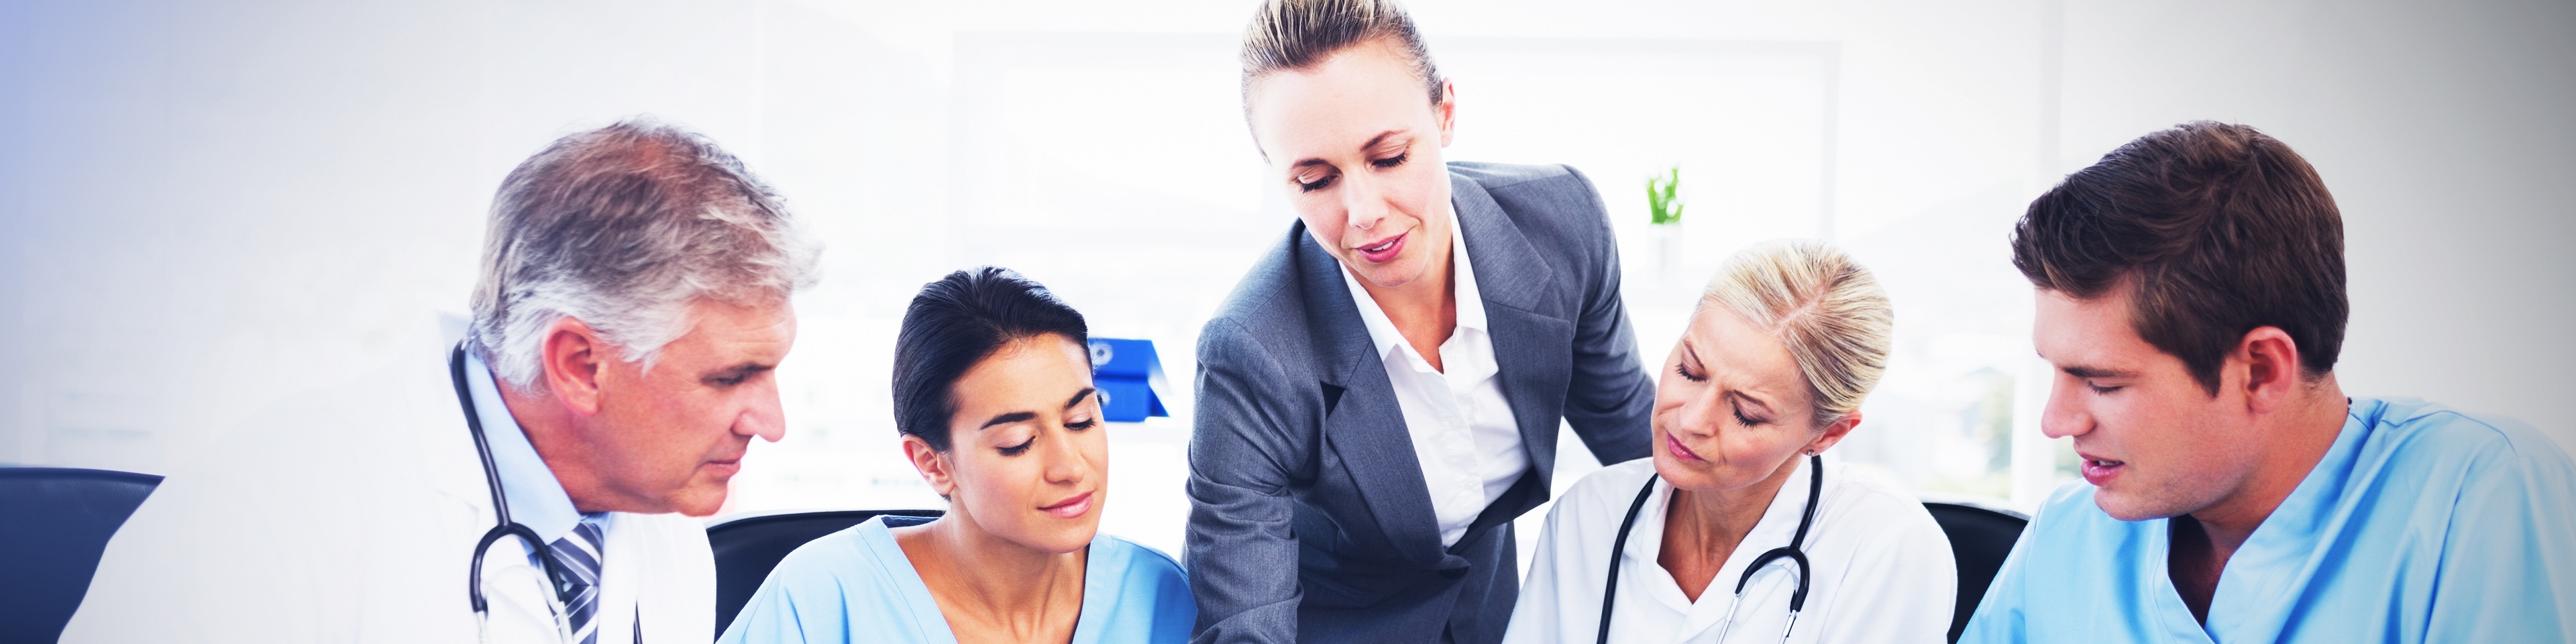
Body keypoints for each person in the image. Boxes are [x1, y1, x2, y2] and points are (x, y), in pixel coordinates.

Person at [61, 119, 818, 643]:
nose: (771, 421)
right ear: (581, 366)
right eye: (731, 377)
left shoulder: (663, 527)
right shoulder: (257, 524)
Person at [1959, 121, 2576, 642]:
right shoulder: (2067, 536)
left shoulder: (2482, 495)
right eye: (2055, 370)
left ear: (2261, 371)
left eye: (2103, 383)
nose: (2055, 421)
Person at [1187, 1, 1659, 642]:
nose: (1363, 213)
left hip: (1492, 611)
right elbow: (1246, 621)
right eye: (1316, 180)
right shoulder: (1251, 351)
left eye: (1388, 158)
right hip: (1333, 624)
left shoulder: (1561, 228)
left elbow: (1633, 433)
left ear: (1445, 113)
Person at [1503, 240, 1955, 643]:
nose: (1693, 419)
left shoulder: (1889, 551)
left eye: (1746, 412)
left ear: (1828, 434)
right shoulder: (1589, 515)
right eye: (1690, 371)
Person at [720, 267, 1194, 644]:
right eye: (1018, 443)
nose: (1070, 468)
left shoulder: (1159, 596)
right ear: (932, 463)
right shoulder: (819, 597)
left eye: (1082, 421)